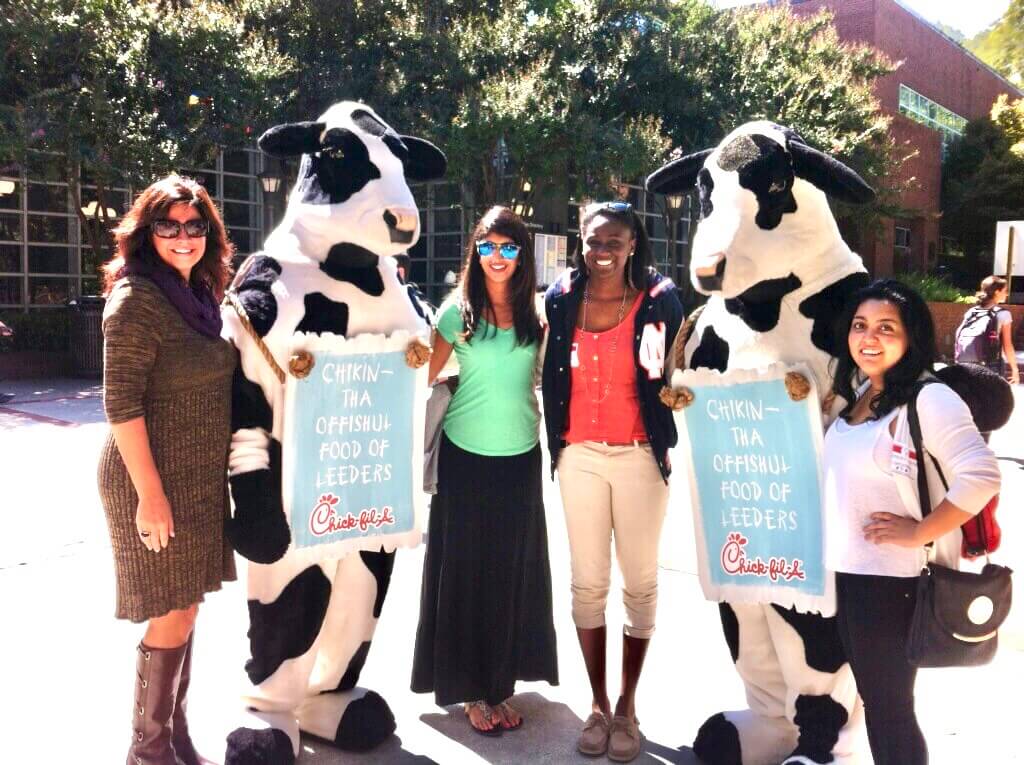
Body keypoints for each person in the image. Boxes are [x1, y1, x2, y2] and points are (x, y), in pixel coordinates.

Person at [825, 279, 1001, 765]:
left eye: (886, 327)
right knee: (881, 704)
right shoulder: (860, 393)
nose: (869, 337)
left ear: (912, 337)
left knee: (890, 709)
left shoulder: (928, 398)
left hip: (893, 582)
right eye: (860, 326)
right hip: (851, 573)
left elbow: (982, 475)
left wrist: (919, 532)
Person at [98, 175, 237, 765]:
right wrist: (150, 495)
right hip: (149, 478)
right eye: (168, 225)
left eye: (194, 225)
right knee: (171, 609)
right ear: (145, 233)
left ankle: (175, 738)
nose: (183, 237)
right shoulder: (136, 300)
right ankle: (147, 752)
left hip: (197, 478)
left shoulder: (199, 298)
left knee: (188, 606)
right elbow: (121, 406)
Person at [541, 201, 683, 762]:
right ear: (581, 240)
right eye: (594, 241)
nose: (603, 252)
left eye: (614, 242)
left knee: (641, 584)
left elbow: (680, 366)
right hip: (579, 455)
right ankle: (597, 704)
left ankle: (629, 704)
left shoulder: (658, 300)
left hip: (640, 456)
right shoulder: (561, 298)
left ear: (632, 244)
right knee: (587, 583)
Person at [411, 206, 558, 735]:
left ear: (523, 256)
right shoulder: (458, 312)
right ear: (476, 252)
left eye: (510, 247)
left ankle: (500, 686)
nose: (499, 257)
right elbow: (417, 374)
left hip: (520, 458)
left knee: (510, 575)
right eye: (489, 247)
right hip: (464, 459)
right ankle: (472, 691)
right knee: (466, 577)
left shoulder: (538, 315)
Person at [955, 275, 1019, 384]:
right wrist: (1014, 369)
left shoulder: (971, 312)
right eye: (1005, 290)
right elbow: (1007, 345)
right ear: (997, 292)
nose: (1007, 294)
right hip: (991, 364)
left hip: (965, 362)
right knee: (994, 399)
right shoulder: (1003, 314)